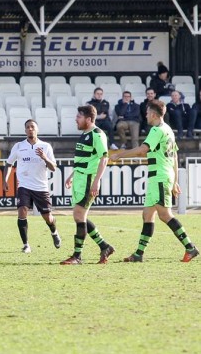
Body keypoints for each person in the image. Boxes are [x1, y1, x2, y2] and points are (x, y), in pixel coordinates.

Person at [110, 99, 198, 263]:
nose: (145, 115)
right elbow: (175, 156)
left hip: (159, 176)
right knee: (147, 214)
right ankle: (138, 254)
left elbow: (143, 150)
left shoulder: (157, 130)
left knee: (165, 215)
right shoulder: (168, 130)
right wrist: (175, 180)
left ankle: (190, 247)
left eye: (147, 112)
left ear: (153, 114)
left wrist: (119, 155)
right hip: (161, 175)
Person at [60, 105, 116, 265]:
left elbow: (104, 158)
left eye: (79, 117)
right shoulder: (85, 134)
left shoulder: (97, 135)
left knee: (79, 215)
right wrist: (72, 175)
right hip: (79, 179)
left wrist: (96, 181)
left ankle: (77, 256)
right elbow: (84, 160)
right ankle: (104, 246)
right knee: (80, 216)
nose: (76, 119)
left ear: (89, 119)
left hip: (88, 180)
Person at [4, 119, 61, 254]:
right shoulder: (18, 146)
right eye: (28, 127)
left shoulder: (45, 146)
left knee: (48, 217)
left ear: (37, 129)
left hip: (41, 187)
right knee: (22, 210)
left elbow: (53, 168)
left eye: (33, 127)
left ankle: (54, 232)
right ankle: (26, 244)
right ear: (25, 130)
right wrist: (5, 180)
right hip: (24, 185)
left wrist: (45, 157)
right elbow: (8, 163)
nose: (30, 129)